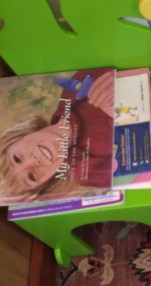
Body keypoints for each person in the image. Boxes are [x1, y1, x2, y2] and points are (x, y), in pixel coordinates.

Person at [0, 68, 115, 204]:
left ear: (18, 136)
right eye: (31, 177)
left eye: (17, 159)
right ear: (49, 180)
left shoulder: (72, 90)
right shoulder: (86, 172)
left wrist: (117, 80)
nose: (34, 162)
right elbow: (133, 175)